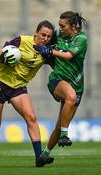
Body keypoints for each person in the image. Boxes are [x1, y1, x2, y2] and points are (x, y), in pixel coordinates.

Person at [0, 20, 55, 167]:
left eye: (48, 37)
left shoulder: (47, 52)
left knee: (31, 117)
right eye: (43, 35)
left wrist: (52, 56)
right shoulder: (22, 41)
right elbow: (1, 49)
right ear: (36, 33)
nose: (45, 39)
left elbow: (57, 66)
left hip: (18, 87)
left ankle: (39, 157)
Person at [34, 11, 88, 157]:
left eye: (63, 26)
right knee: (70, 97)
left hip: (77, 86)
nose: (60, 28)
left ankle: (44, 155)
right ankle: (65, 134)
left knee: (60, 124)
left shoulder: (81, 39)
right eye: (59, 25)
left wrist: (50, 52)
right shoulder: (58, 35)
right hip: (57, 79)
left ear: (73, 26)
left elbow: (68, 55)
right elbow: (43, 42)